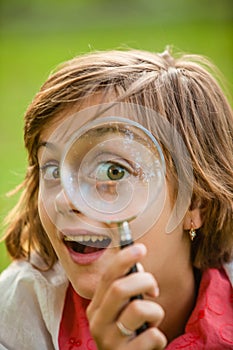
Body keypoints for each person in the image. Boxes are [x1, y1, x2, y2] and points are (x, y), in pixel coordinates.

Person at [0, 47, 233, 350]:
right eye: (53, 169)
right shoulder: (17, 314)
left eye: (112, 171)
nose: (64, 199)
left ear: (194, 203)